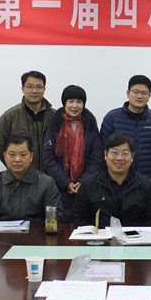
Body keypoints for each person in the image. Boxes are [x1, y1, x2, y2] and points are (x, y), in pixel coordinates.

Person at [72, 132, 151, 226]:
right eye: (114, 153)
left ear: (132, 156)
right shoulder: (89, 185)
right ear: (105, 154)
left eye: (125, 153)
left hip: (136, 235)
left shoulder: (146, 185)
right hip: (101, 235)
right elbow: (78, 219)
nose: (119, 158)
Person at [41, 85, 104, 222]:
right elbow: (48, 158)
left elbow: (97, 158)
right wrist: (66, 182)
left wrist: (82, 182)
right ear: (64, 103)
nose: (74, 106)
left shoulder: (90, 125)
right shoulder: (55, 124)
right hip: (59, 188)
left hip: (85, 188)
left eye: (79, 102)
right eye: (70, 101)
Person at [0, 134, 63, 223]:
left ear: (31, 157)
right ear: (5, 156)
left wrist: (35, 229)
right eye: (12, 155)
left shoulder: (46, 183)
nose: (17, 159)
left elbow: (55, 218)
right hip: (1, 231)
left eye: (23, 155)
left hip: (34, 231)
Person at [100, 75, 151, 181]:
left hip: (147, 180)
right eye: (135, 92)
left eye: (144, 93)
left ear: (149, 96)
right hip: (116, 179)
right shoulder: (112, 118)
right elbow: (102, 150)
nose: (139, 96)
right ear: (128, 93)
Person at [0, 71, 55, 173]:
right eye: (29, 86)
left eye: (39, 87)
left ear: (44, 89)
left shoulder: (55, 116)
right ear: (23, 89)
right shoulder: (10, 117)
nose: (34, 91)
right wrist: (15, 167)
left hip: (50, 176)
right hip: (20, 177)